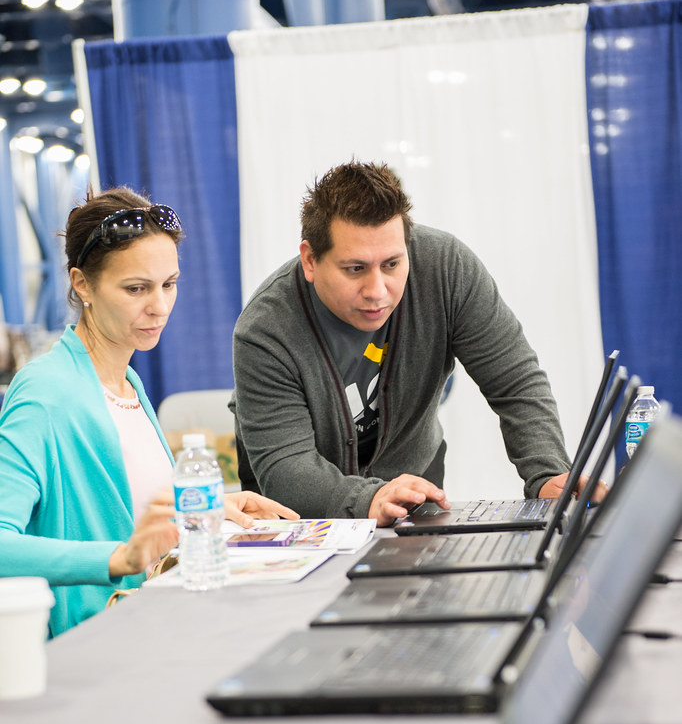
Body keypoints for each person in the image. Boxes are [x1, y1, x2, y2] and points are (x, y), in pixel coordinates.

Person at [231, 160, 603, 525]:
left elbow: (515, 381)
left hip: (414, 498)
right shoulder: (265, 329)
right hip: (302, 521)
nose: (377, 291)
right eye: (355, 269)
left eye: (392, 265)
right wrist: (369, 499)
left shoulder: (447, 269)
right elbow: (287, 467)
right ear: (311, 260)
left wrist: (547, 474)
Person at [0, 187, 298, 638]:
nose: (159, 306)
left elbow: (129, 516)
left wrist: (207, 509)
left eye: (169, 284)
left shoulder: (128, 383)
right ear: (82, 284)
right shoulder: (46, 392)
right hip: (91, 644)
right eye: (136, 288)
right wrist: (119, 559)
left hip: (144, 626)